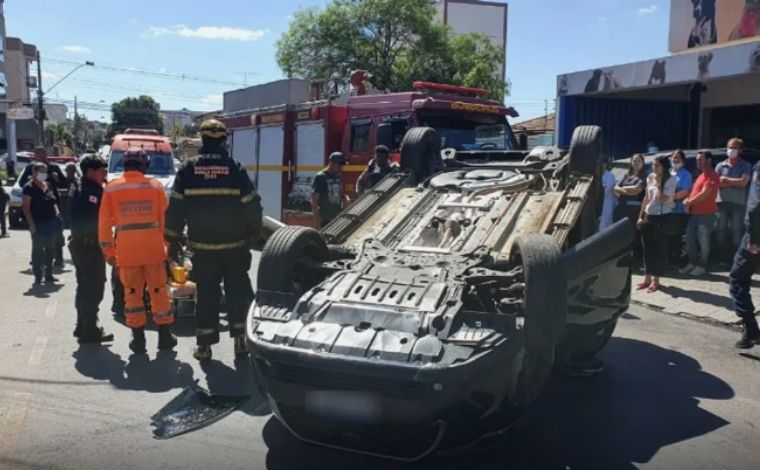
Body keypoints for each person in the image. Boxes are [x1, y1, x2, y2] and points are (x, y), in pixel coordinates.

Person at [165, 118, 262, 361]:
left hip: (202, 248)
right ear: (223, 141)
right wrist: (254, 232)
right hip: (235, 247)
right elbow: (252, 205)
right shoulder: (235, 168)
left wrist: (172, 238)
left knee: (206, 295)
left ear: (203, 140)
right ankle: (241, 341)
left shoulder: (188, 169)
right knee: (237, 292)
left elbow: (175, 207)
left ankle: (205, 346)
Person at [98, 149, 176, 354]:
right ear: (145, 165)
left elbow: (104, 224)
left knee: (132, 295)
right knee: (159, 292)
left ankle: (138, 340)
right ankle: (165, 338)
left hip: (127, 253)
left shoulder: (112, 189)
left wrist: (109, 253)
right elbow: (164, 221)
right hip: (153, 252)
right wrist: (167, 249)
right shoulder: (156, 187)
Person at [69, 155, 113, 343]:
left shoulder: (80, 185)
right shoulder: (89, 192)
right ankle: (89, 329)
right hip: (88, 246)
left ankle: (82, 325)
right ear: (90, 171)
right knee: (94, 287)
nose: (104, 174)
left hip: (80, 245)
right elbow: (94, 220)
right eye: (101, 170)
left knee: (84, 286)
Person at [729, 157, 760, 349]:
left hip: (756, 237)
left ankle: (751, 329)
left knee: (737, 279)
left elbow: (756, 205)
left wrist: (753, 238)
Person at [19, 147, 66, 268]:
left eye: (42, 153)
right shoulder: (31, 168)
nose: (39, 155)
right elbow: (21, 182)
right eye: (37, 153)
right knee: (38, 235)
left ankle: (58, 258)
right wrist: (30, 178)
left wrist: (57, 178)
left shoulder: (53, 168)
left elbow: (64, 182)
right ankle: (38, 259)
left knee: (57, 234)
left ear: (46, 154)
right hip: (36, 206)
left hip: (52, 204)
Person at [637, 155, 677, 292]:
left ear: (664, 166)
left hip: (663, 217)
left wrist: (659, 183)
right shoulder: (650, 177)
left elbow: (663, 199)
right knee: (647, 248)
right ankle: (647, 278)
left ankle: (656, 280)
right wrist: (640, 216)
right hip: (650, 215)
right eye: (653, 165)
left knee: (659, 249)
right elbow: (647, 197)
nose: (654, 168)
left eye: (657, 165)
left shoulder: (671, 180)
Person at [21, 163, 61, 285]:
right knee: (38, 250)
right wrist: (32, 225)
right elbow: (26, 208)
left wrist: (57, 212)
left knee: (50, 249)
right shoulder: (29, 187)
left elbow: (53, 201)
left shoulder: (47, 185)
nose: (44, 174)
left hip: (51, 222)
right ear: (34, 172)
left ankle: (49, 274)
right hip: (38, 223)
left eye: (45, 172)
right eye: (41, 172)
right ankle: (38, 275)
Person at [682, 151, 720, 276]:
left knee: (703, 241)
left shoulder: (712, 176)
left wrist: (688, 203)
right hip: (694, 214)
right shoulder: (700, 176)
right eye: (697, 160)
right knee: (690, 239)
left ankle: (702, 265)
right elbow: (694, 192)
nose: (698, 162)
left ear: (709, 160)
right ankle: (692, 263)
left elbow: (704, 194)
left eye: (700, 160)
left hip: (706, 215)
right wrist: (688, 201)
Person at [715, 138, 752, 262]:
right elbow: (715, 183)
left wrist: (725, 180)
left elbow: (743, 182)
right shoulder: (720, 165)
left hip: (738, 204)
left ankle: (736, 260)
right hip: (721, 204)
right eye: (730, 147)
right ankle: (722, 260)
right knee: (721, 233)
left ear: (740, 150)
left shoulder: (746, 165)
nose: (731, 150)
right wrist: (733, 182)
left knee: (737, 234)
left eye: (735, 148)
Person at [669, 150, 693, 270]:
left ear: (683, 161)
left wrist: (667, 197)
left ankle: (676, 262)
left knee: (675, 237)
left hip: (677, 211)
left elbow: (684, 192)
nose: (675, 160)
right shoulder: (668, 172)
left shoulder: (686, 175)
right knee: (666, 237)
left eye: (678, 158)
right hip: (664, 211)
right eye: (673, 158)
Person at [311, 152, 349, 229]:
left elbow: (339, 194)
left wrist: (345, 198)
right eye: (339, 165)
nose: (341, 167)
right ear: (332, 163)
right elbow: (314, 200)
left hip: (336, 219)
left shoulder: (338, 176)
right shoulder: (321, 177)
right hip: (324, 220)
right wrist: (317, 220)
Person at [599, 156, 616, 231]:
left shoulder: (610, 175)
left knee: (606, 225)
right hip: (598, 203)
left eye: (602, 164)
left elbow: (606, 190)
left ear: (605, 164)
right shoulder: (595, 175)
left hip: (607, 203)